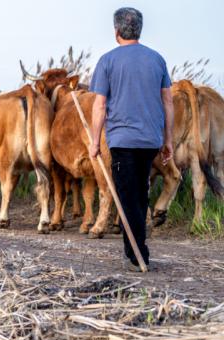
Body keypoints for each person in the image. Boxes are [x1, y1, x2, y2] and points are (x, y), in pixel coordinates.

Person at [88, 7, 174, 272]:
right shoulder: (156, 59)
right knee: (138, 194)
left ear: (116, 32)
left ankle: (139, 254)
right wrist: (168, 139)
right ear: (140, 29)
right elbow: (168, 102)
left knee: (128, 197)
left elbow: (100, 106)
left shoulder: (107, 61)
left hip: (122, 141)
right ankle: (133, 250)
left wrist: (93, 141)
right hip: (150, 140)